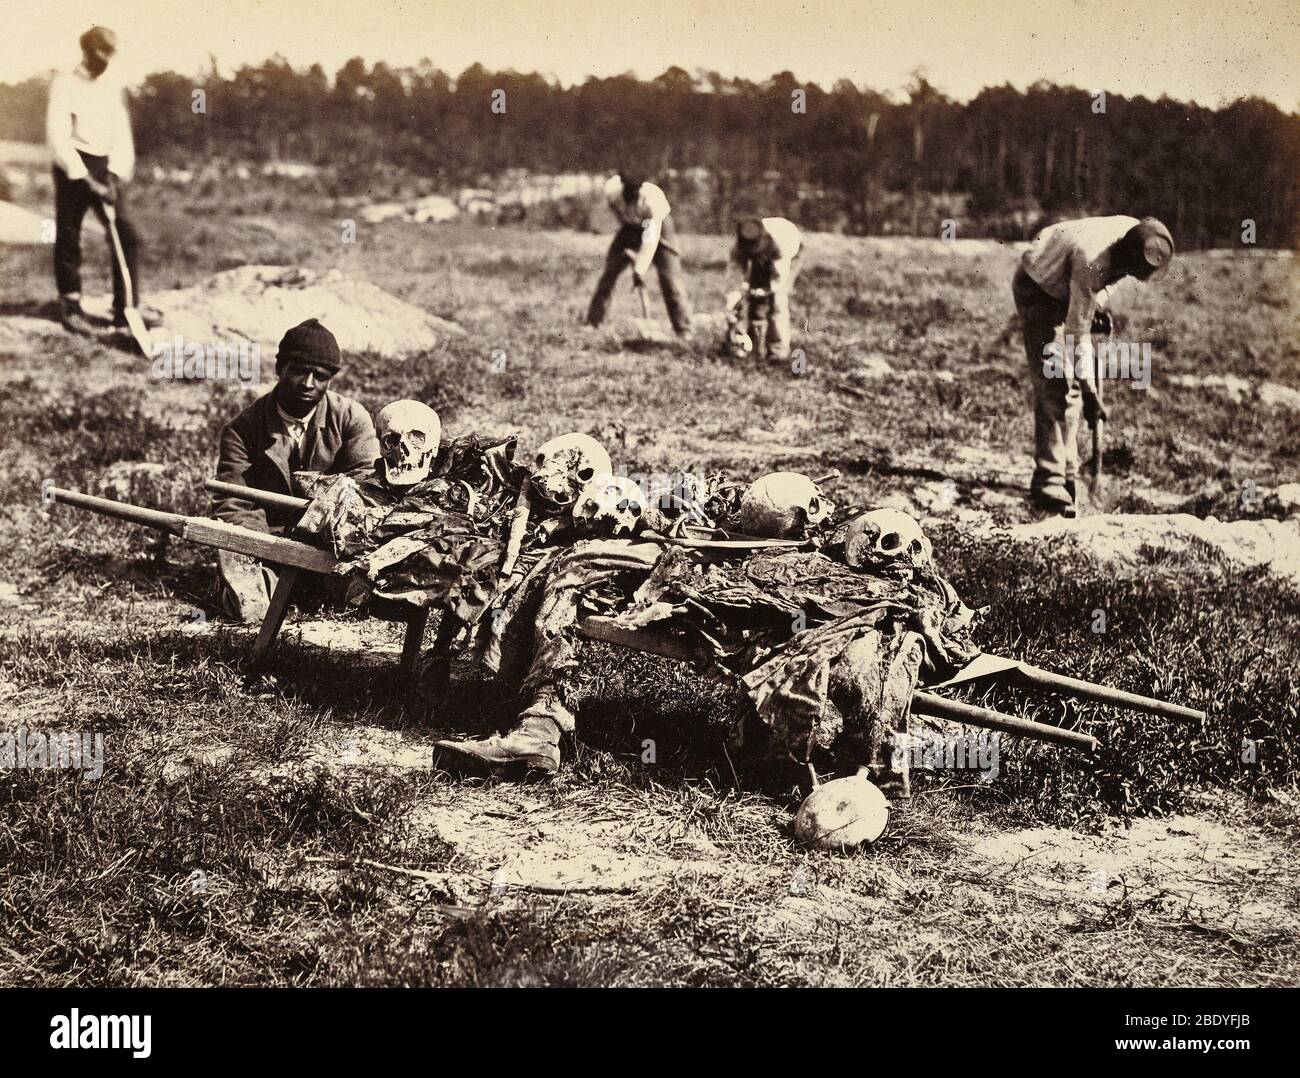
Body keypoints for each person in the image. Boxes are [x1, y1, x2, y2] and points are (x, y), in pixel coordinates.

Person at [211, 319, 380, 621]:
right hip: (268, 544)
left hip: (331, 544)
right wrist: (272, 551)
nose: (308, 383)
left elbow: (367, 490)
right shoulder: (243, 429)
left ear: (331, 379)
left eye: (320, 375)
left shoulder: (352, 419)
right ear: (280, 368)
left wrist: (320, 537)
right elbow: (233, 504)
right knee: (250, 603)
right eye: (299, 371)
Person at [1014, 215, 1174, 512]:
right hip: (1039, 285)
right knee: (1056, 381)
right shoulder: (1092, 260)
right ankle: (1048, 480)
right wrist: (1091, 393)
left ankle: (1068, 474)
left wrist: (1094, 307)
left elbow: (1105, 281)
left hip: (1069, 281)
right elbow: (1077, 334)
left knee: (1069, 387)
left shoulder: (1135, 233)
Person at [46, 26, 159, 336]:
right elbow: (58, 135)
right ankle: (70, 304)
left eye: (110, 54)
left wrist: (113, 176)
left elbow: (122, 136)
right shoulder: (65, 83)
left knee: (127, 234)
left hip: (105, 167)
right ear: (86, 51)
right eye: (100, 54)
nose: (105, 61)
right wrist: (84, 177)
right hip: (73, 163)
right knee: (69, 234)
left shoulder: (112, 85)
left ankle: (126, 309)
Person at [585, 171, 693, 335]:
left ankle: (684, 329)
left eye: (635, 191)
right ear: (622, 185)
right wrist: (627, 245)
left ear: (641, 188)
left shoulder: (653, 200)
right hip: (629, 228)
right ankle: (594, 322)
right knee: (609, 273)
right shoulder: (612, 192)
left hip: (660, 229)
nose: (631, 195)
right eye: (627, 190)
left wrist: (639, 269)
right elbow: (605, 216)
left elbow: (650, 239)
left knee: (670, 278)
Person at [731, 216, 804, 360]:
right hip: (767, 254)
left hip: (790, 255)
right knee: (752, 303)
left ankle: (778, 351)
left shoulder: (780, 245)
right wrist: (735, 297)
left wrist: (765, 291)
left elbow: (779, 279)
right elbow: (734, 274)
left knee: (777, 302)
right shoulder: (740, 245)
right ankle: (752, 348)